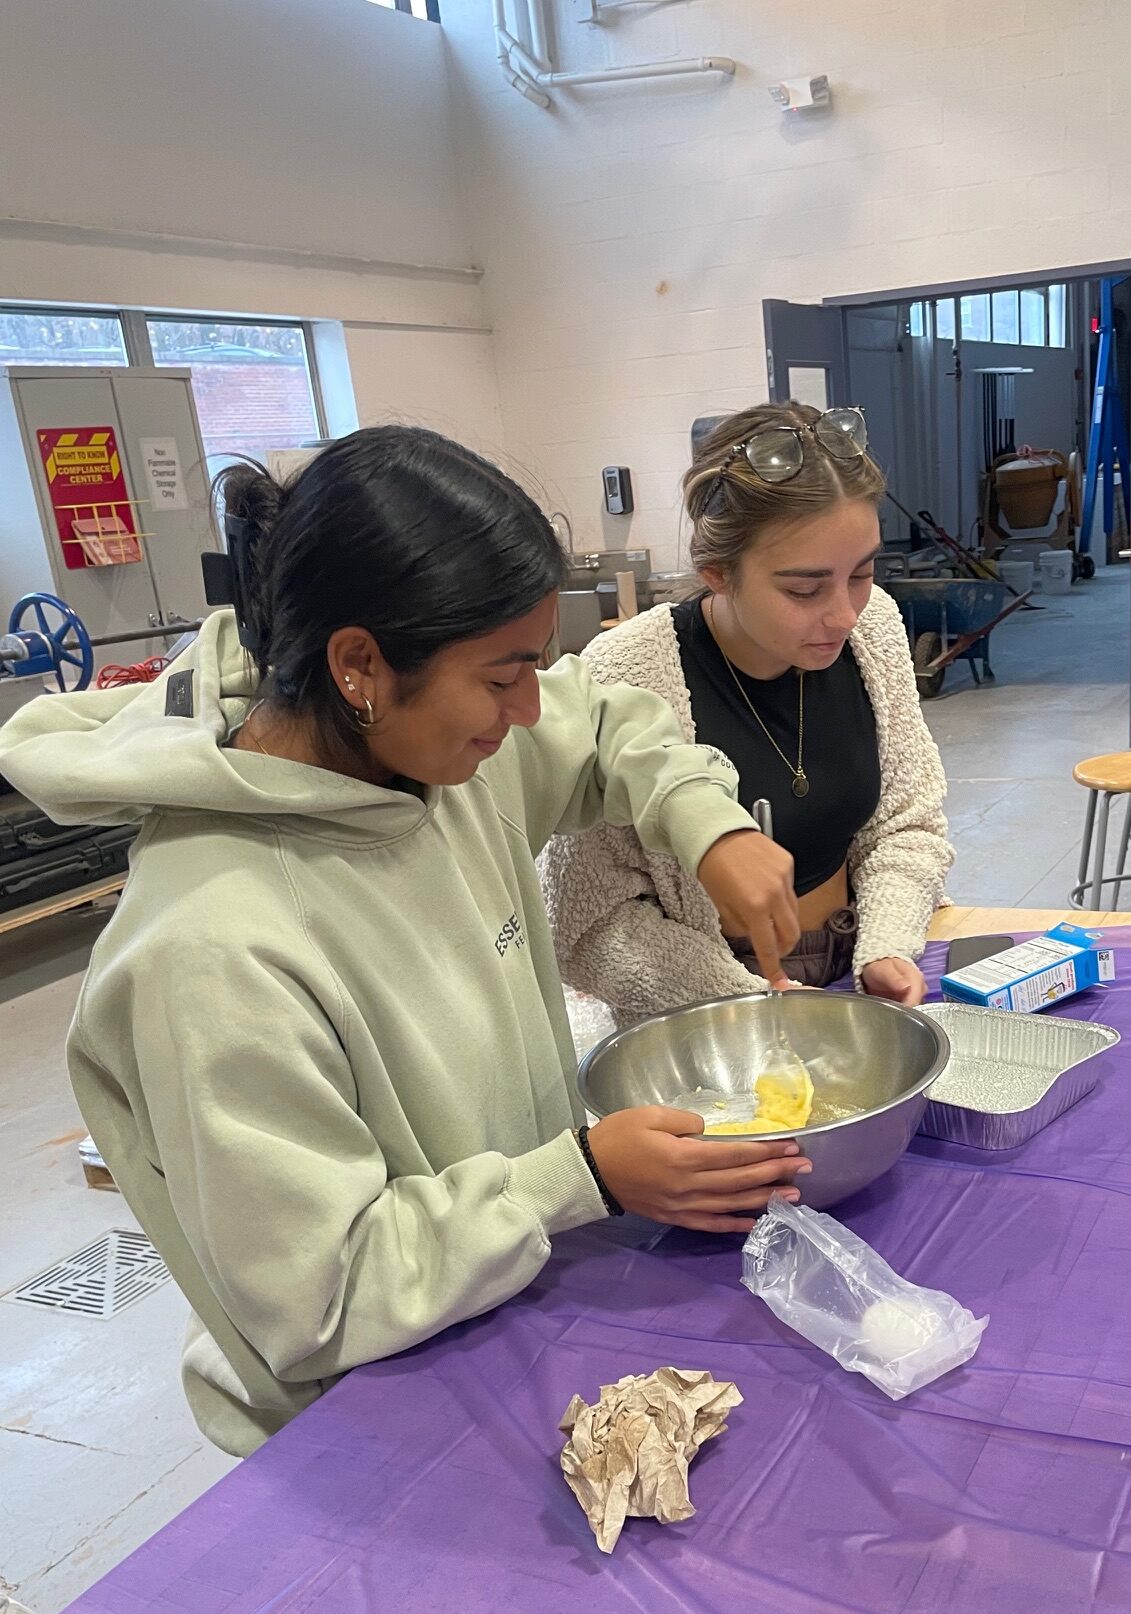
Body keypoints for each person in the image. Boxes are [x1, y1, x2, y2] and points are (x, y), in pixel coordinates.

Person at [0, 427, 813, 1458]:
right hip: (369, 1417)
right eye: (502, 676)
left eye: (535, 668)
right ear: (358, 665)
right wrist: (582, 1178)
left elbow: (606, 721)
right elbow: (320, 1293)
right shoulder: (213, 945)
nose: (526, 713)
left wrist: (708, 819)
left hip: (511, 1299)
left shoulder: (426, 756)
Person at [541, 403, 952, 1020]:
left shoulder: (875, 629)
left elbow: (907, 821)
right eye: (804, 590)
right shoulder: (626, 673)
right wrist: (751, 1005)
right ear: (718, 574)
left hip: (858, 969)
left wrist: (886, 948)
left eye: (863, 573)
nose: (843, 613)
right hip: (705, 1011)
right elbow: (590, 922)